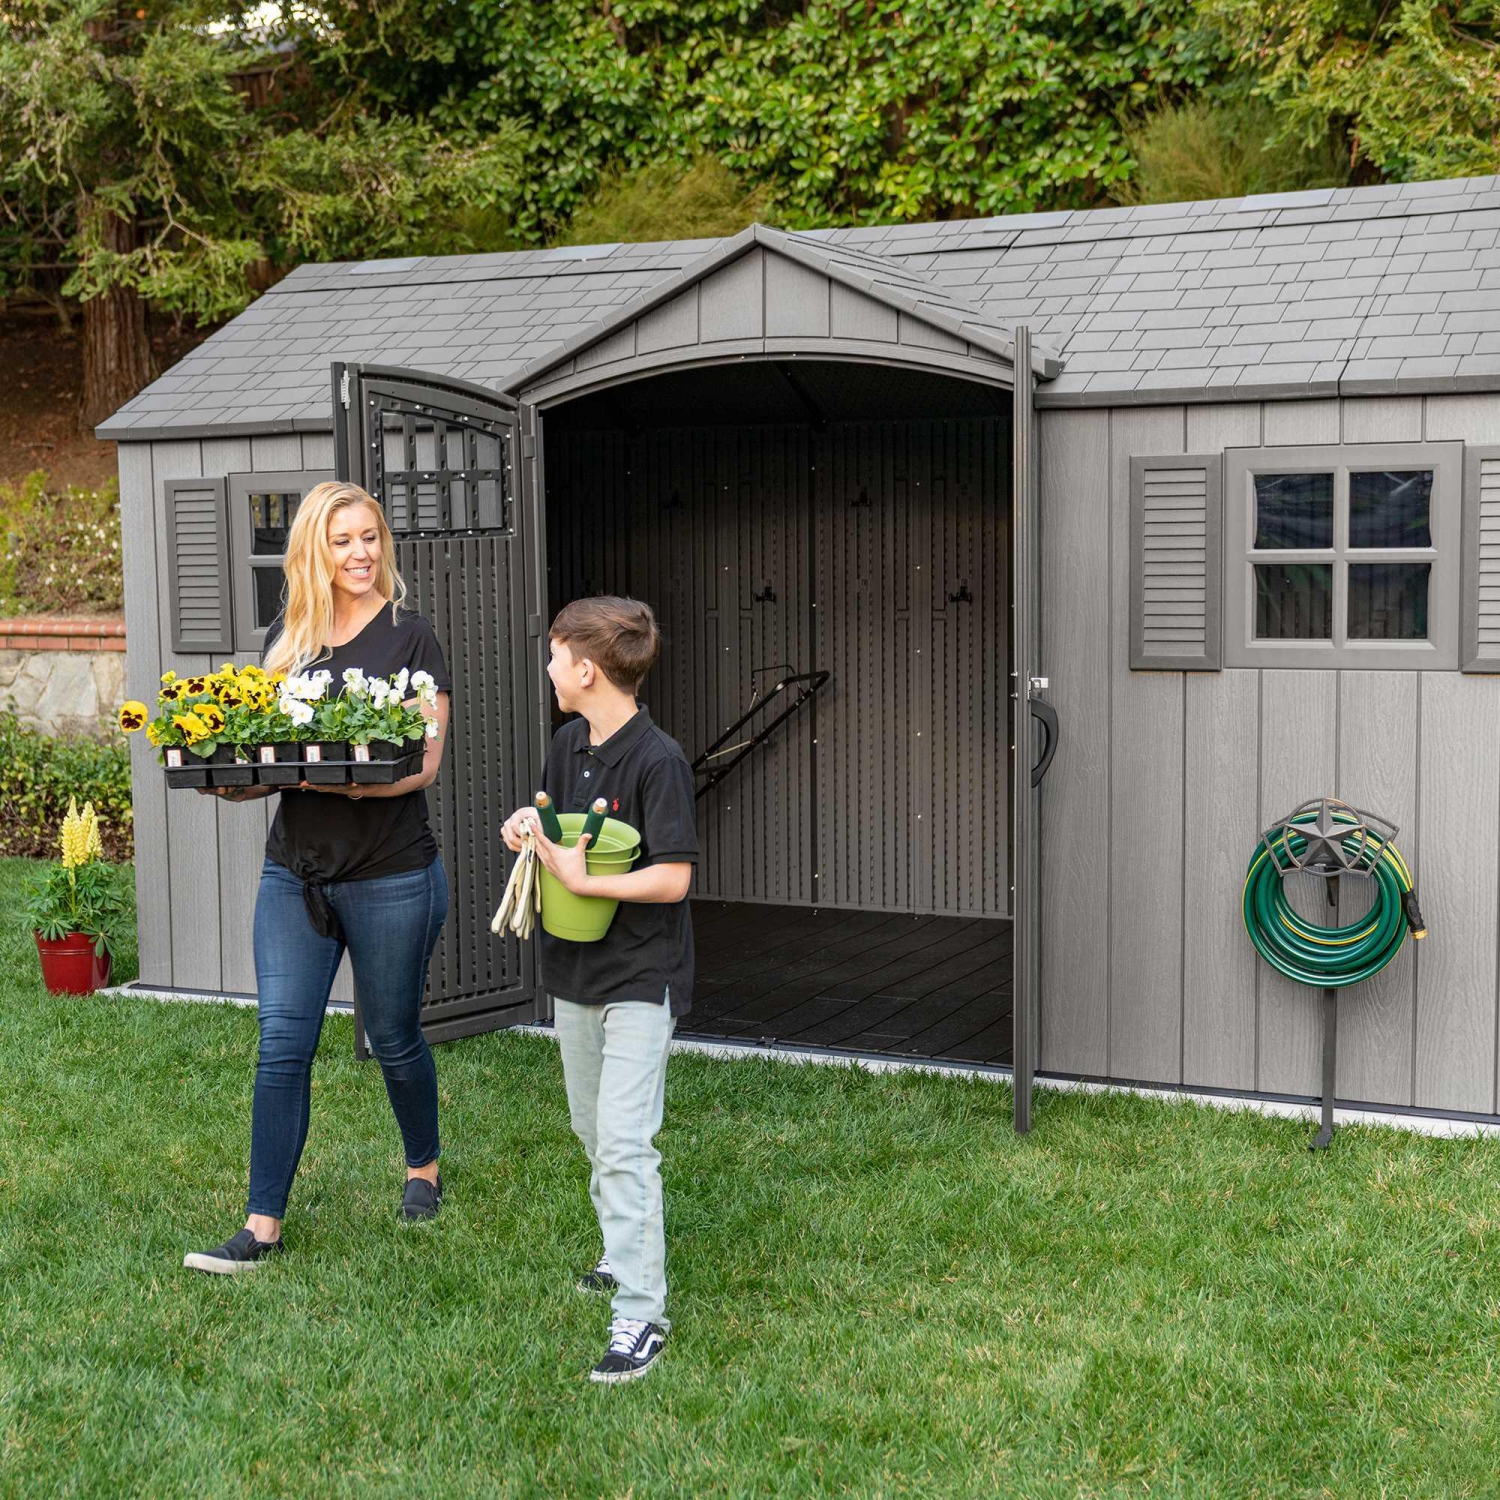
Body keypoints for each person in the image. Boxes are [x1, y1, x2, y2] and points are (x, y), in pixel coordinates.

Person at [183, 480, 452, 1274]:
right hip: (293, 877)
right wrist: (237, 777)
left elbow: (421, 764)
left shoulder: (412, 636)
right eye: (342, 541)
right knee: (282, 1045)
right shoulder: (289, 635)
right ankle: (261, 1226)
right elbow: (265, 758)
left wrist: (324, 778)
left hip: (392, 874)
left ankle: (423, 1167)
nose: (361, 553)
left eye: (370, 537)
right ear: (314, 551)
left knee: (394, 1035)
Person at [502, 597, 697, 1383]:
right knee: (593, 1130)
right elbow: (561, 825)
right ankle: (623, 1252)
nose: (548, 670)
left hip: (641, 976)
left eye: (554, 657)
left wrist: (592, 882)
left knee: (623, 1142)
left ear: (585, 669)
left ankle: (641, 1314)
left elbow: (676, 876)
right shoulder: (565, 744)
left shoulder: (659, 762)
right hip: (575, 970)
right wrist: (529, 827)